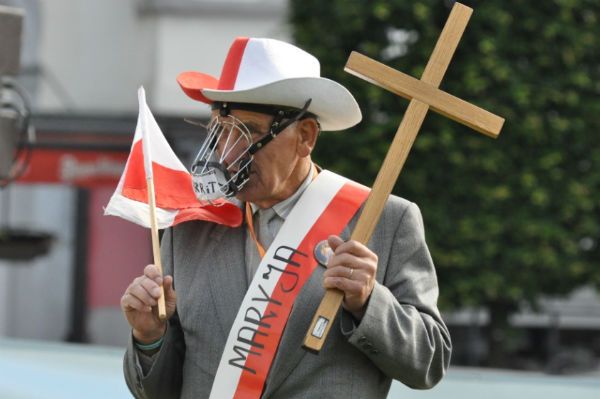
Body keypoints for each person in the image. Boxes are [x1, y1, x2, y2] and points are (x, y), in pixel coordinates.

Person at [121, 37, 451, 399]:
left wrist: (369, 302)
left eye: (246, 132)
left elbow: (429, 363)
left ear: (305, 137)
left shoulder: (386, 219)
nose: (228, 155)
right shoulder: (191, 229)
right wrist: (150, 339)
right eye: (220, 132)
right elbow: (158, 392)